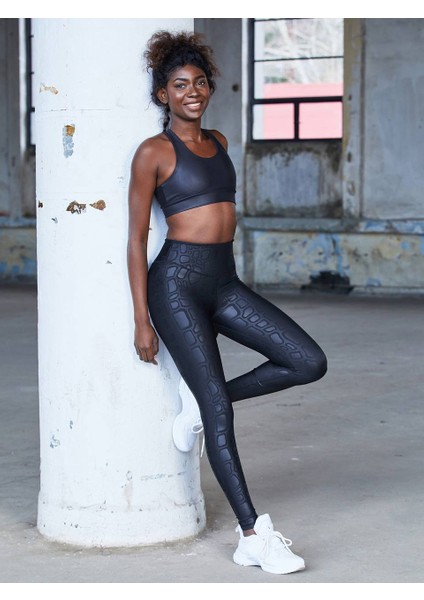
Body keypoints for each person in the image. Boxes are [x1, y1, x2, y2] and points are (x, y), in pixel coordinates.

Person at [127, 30, 327, 576]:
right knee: (219, 412)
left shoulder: (217, 140)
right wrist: (143, 319)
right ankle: (252, 536)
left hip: (224, 281)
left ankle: (202, 404)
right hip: (176, 285)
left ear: (209, 88)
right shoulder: (153, 152)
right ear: (162, 94)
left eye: (199, 82)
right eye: (179, 85)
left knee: (307, 361)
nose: (191, 91)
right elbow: (137, 239)